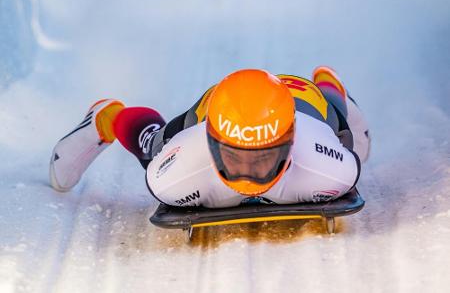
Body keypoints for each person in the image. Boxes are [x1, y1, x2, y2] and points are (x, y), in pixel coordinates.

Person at [49, 67, 370, 208]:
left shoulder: (329, 160)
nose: (248, 175)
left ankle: (328, 84)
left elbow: (342, 142)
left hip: (301, 102)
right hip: (219, 104)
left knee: (332, 115)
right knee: (154, 145)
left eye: (262, 159)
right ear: (209, 141)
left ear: (289, 144)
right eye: (235, 157)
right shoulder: (333, 173)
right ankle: (105, 117)